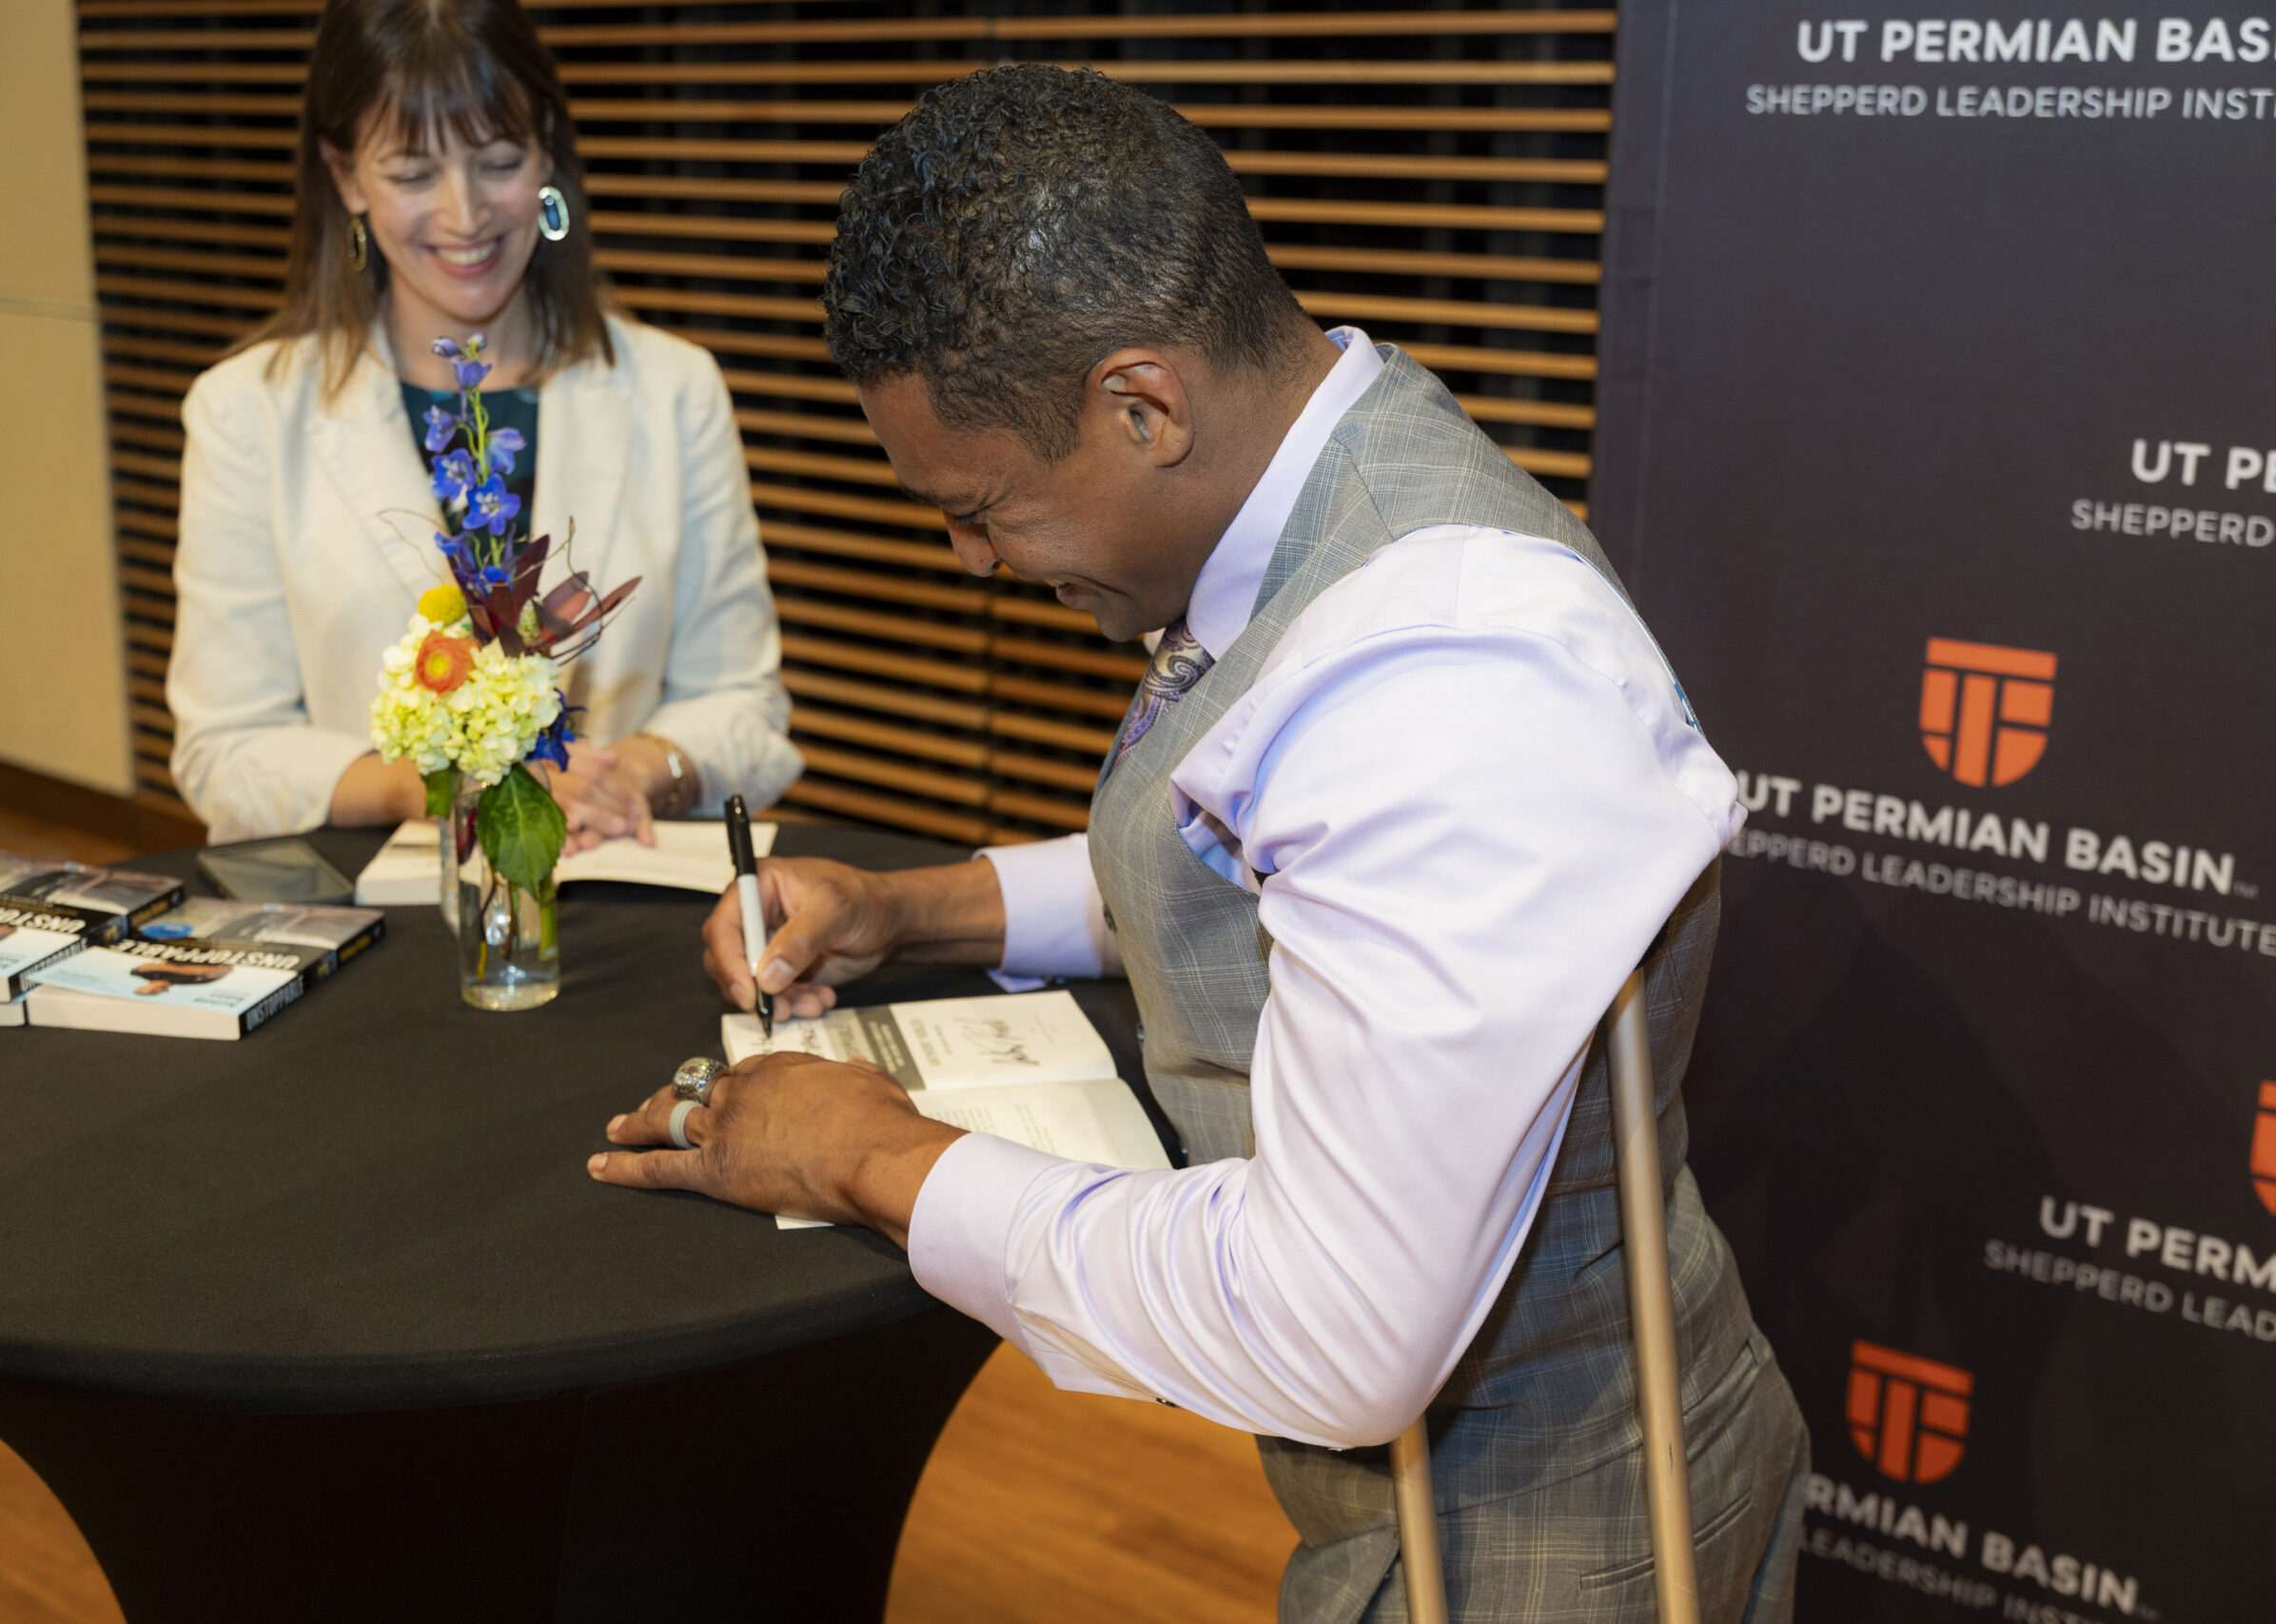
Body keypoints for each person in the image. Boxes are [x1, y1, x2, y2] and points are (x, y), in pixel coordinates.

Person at [589, 66, 1809, 1622]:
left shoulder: (1445, 678)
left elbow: (1340, 1327)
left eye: (982, 508)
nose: (970, 562)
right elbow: (1274, 866)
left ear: (1140, 403)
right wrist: (911, 908)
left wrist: (870, 1154)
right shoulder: (1327, 488)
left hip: (1547, 1527)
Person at [168, 0, 797, 848]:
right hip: (379, 915)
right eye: (413, 175)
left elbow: (746, 708)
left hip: (617, 879)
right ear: (346, 176)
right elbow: (225, 751)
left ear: (545, 151)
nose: (466, 217)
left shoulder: (673, 391)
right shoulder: (246, 413)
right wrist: (437, 784)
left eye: (497, 162)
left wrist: (629, 774)